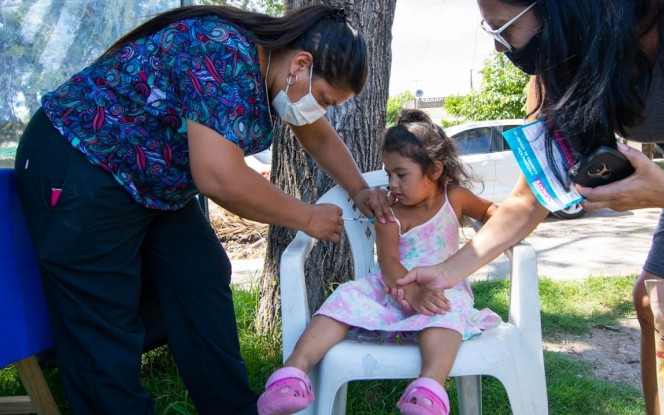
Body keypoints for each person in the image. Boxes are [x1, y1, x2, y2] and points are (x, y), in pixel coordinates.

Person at [14, 5, 393, 415]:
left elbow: (317, 136)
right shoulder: (226, 52)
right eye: (323, 99)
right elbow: (220, 178)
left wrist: (359, 189)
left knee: (201, 275)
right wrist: (307, 216)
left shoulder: (273, 73)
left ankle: (233, 408)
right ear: (301, 64)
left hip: (152, 180)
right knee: (102, 320)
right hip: (83, 162)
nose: (322, 112)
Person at [391, 1, 664, 414]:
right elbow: (527, 199)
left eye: (505, 29)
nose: (502, 50)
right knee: (655, 305)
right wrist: (446, 272)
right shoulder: (563, 69)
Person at [256, 109, 500, 415]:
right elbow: (387, 263)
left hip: (441, 287)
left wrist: (484, 241)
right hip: (389, 288)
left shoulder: (455, 198)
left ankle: (428, 390)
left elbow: (496, 216)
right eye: (388, 175)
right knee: (341, 300)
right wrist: (411, 293)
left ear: (435, 170)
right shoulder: (389, 211)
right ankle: (292, 375)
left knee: (446, 311)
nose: (392, 184)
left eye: (401, 174)